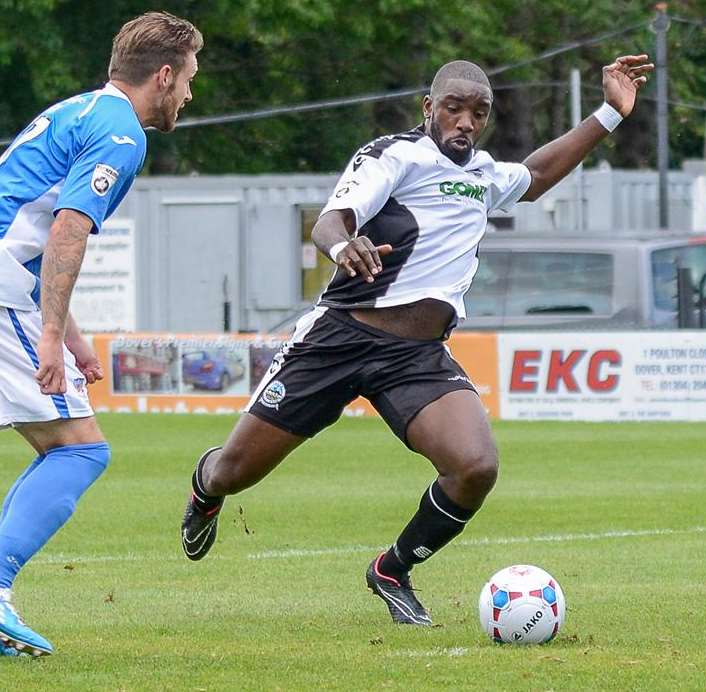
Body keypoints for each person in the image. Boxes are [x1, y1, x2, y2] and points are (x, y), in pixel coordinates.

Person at [181, 55, 652, 625]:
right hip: (339, 340)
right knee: (236, 471)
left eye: (479, 113)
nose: (466, 122)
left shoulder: (483, 175)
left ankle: (392, 568)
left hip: (415, 358)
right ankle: (206, 488)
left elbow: (538, 175)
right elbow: (332, 219)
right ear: (429, 108)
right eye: (454, 108)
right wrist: (341, 246)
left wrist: (609, 113)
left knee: (475, 466)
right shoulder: (394, 155)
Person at [0, 12, 201, 656]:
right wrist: (52, 334)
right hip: (3, 293)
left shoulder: (76, 111)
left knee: (69, 446)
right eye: (190, 78)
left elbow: (31, 224)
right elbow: (64, 230)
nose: (191, 95)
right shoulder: (121, 133)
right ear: (164, 76)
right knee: (79, 450)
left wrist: (73, 335)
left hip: (10, 286)